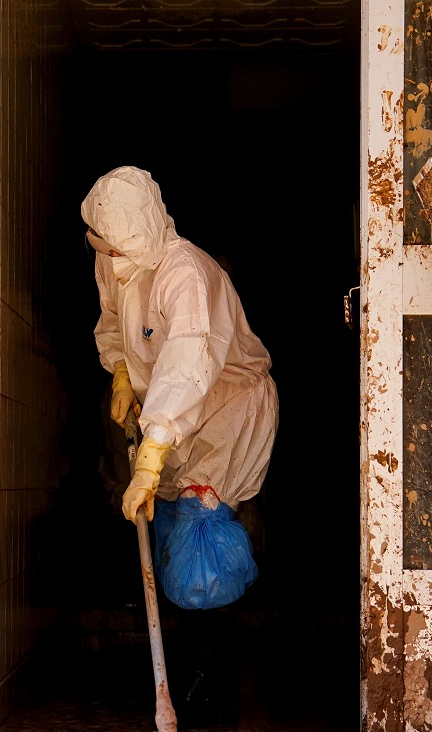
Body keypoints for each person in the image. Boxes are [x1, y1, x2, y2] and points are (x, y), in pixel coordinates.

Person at [82, 166, 278, 611]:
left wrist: (149, 461)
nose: (108, 257)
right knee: (168, 523)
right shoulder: (114, 258)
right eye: (101, 246)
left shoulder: (184, 274)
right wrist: (121, 372)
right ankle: (185, 654)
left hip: (226, 408)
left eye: (115, 248)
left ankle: (218, 654)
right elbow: (112, 318)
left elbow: (186, 366)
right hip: (169, 412)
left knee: (199, 555)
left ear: (139, 235)